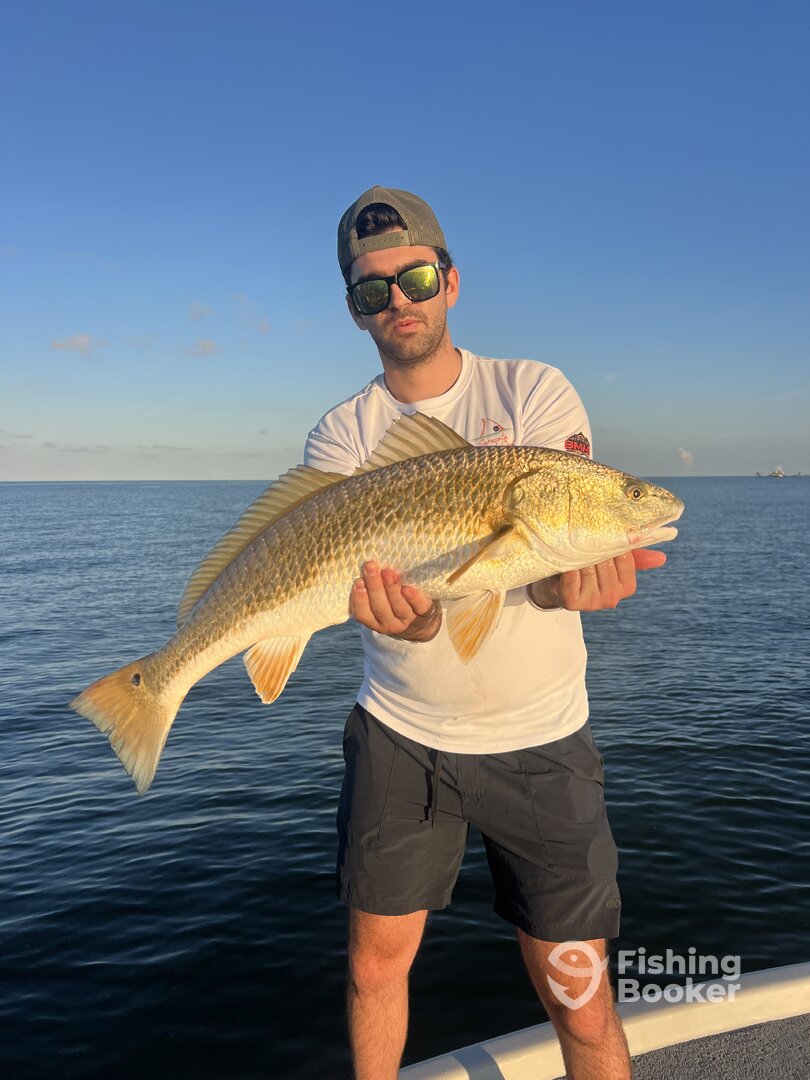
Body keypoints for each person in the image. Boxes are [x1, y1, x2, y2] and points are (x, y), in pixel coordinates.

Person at [304, 186, 665, 1080]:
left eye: (417, 277)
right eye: (372, 289)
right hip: (399, 736)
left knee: (579, 994)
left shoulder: (533, 391)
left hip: (542, 738)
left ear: (452, 281)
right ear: (354, 309)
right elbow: (398, 598)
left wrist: (574, 580)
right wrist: (419, 618)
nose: (399, 300)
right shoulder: (341, 435)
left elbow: (543, 556)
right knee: (373, 967)